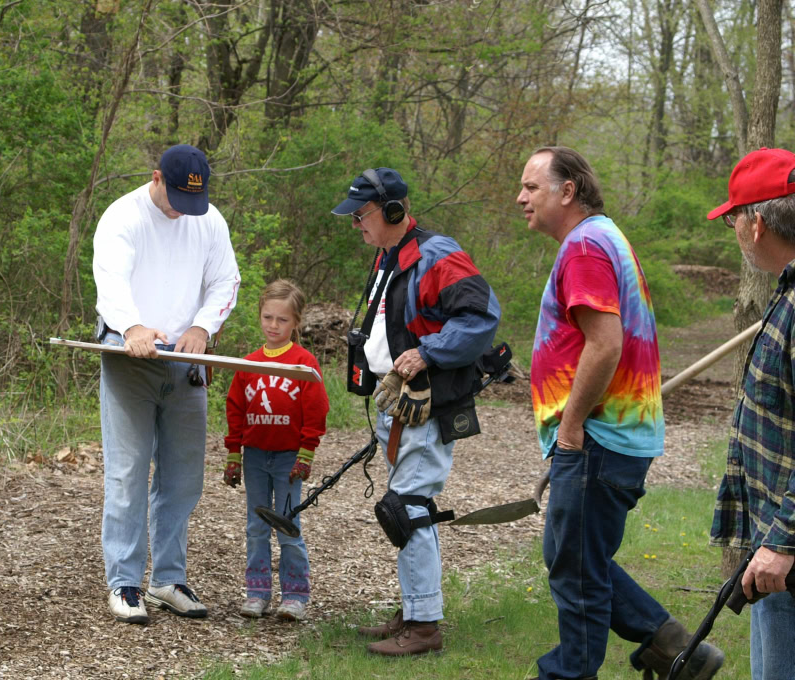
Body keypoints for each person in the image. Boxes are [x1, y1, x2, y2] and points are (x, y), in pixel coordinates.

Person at [517, 146, 723, 680]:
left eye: (531, 187)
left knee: (576, 574)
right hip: (606, 439)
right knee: (574, 559)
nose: (521, 198)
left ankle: (569, 673)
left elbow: (604, 345)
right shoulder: (599, 237)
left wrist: (570, 425)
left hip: (597, 439)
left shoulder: (585, 246)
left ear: (568, 191)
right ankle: (677, 648)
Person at [332, 168, 501, 656]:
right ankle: (413, 611)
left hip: (427, 406)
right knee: (403, 509)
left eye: (360, 216)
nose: (355, 225)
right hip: (397, 403)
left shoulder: (437, 254)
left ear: (391, 212)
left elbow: (481, 318)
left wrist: (428, 352)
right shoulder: (391, 255)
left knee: (409, 509)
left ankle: (425, 625)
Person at [92, 144, 240, 624]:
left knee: (182, 477)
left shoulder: (208, 219)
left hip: (186, 361)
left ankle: (168, 579)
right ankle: (125, 582)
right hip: (129, 355)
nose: (183, 209)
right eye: (176, 196)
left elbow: (225, 281)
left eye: (192, 200)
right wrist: (131, 326)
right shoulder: (123, 216)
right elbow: (110, 279)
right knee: (128, 472)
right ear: (156, 178)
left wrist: (202, 326)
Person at [706, 147, 795, 680]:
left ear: (757, 222)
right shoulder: (787, 291)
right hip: (775, 550)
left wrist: (783, 541)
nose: (734, 229)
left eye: (734, 217)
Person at [222, 279, 330, 622]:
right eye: (268, 317)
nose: (273, 325)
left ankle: (295, 595)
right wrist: (233, 455)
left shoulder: (303, 362)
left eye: (282, 320)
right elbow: (235, 409)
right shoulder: (250, 364)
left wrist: (306, 454)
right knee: (256, 526)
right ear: (260, 317)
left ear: (296, 322)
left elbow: (316, 411)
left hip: (288, 458)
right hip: (254, 455)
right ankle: (257, 592)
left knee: (286, 524)